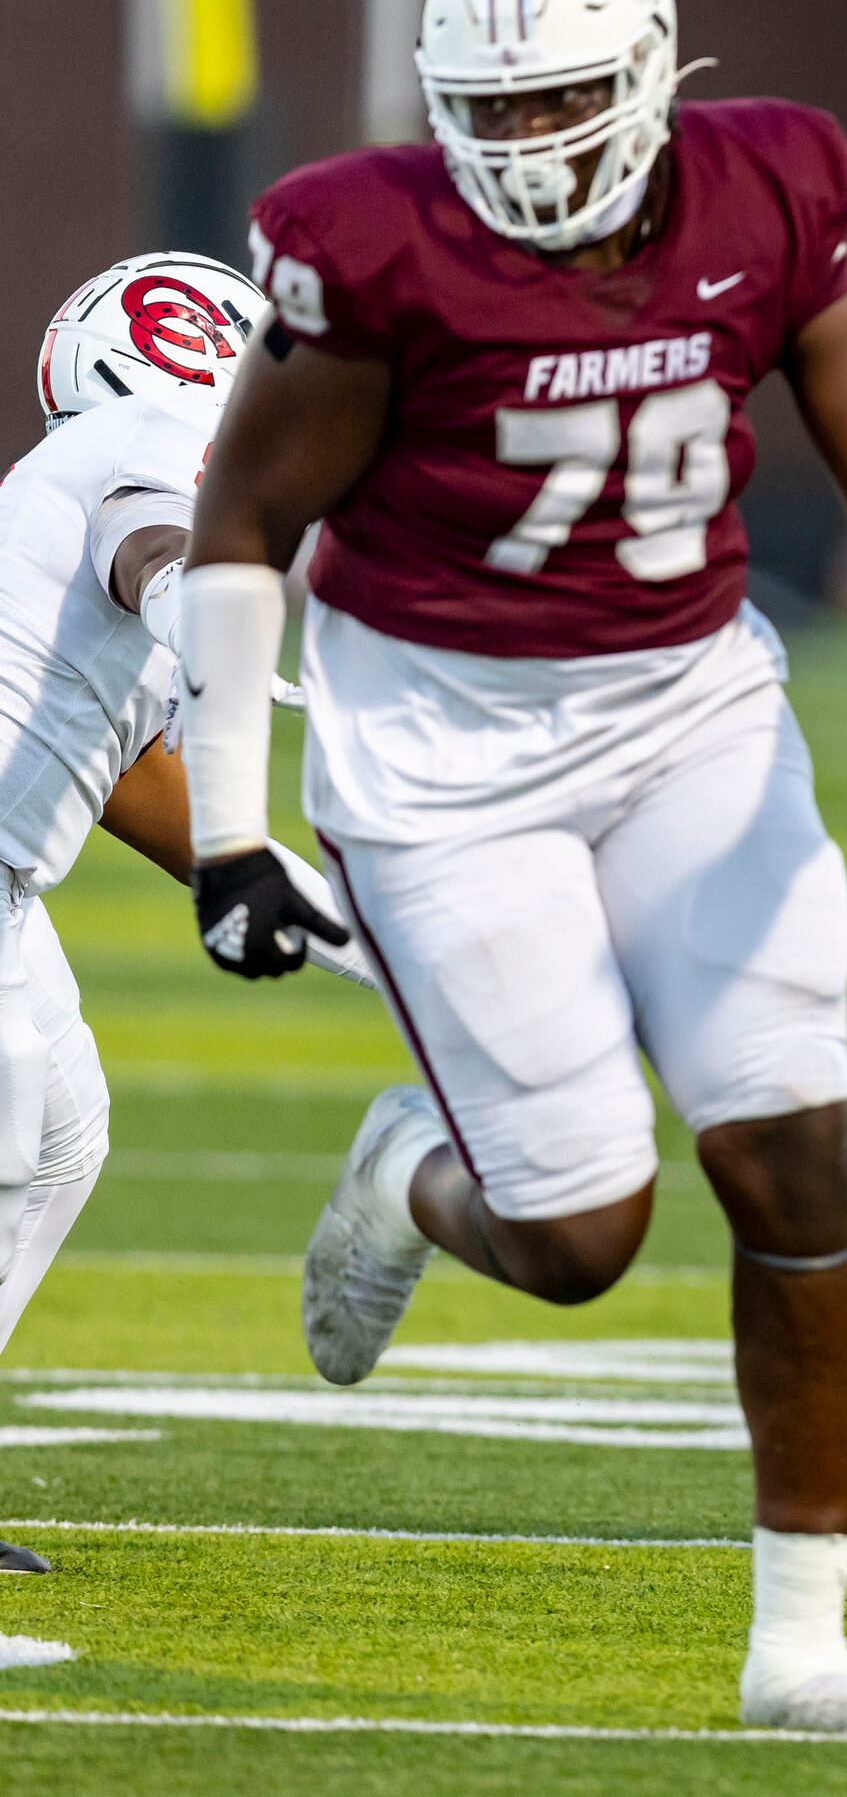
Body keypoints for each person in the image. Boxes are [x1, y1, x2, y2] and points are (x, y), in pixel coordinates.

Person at [172, 0, 847, 1733]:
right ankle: (408, 1169)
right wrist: (231, 829)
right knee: (582, 1239)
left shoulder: (766, 185)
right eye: (490, 105)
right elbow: (240, 527)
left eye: (559, 95)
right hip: (443, 760)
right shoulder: (377, 247)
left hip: (693, 711)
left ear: (650, 74)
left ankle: (800, 1646)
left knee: (798, 1151)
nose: (528, 139)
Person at [0, 252, 377, 1575]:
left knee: (61, 1129)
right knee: (5, 1110)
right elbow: (166, 553)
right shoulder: (145, 444)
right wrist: (209, 603)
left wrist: (388, 972)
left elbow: (168, 819)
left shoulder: (90, 479)